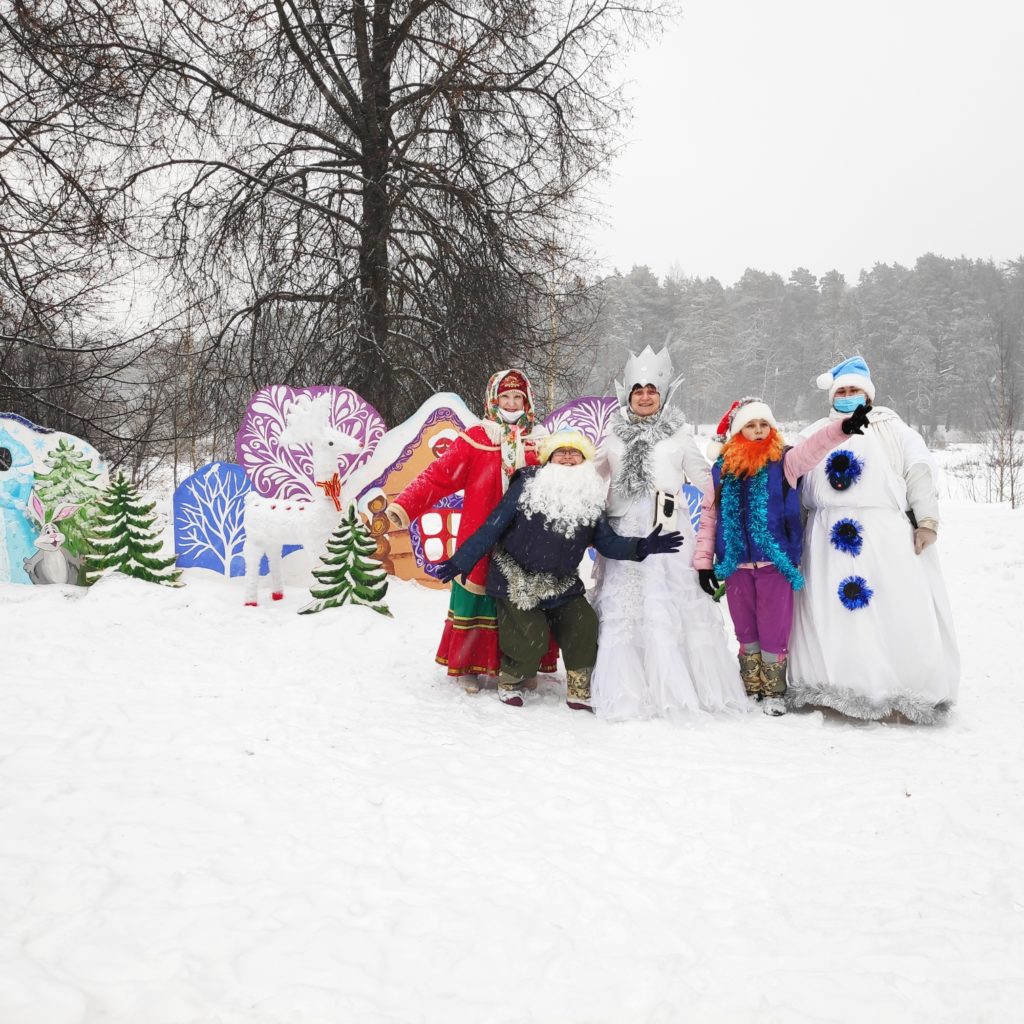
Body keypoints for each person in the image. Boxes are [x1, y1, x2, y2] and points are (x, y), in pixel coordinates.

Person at [436, 430, 682, 709]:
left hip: (561, 583)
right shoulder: (528, 483)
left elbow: (607, 542)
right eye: (560, 452)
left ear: (584, 460)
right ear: (549, 458)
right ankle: (512, 677)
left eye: (574, 452)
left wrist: (641, 547)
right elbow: (494, 525)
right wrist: (462, 560)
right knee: (532, 634)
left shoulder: (590, 496)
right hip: (515, 578)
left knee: (584, 622)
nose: (567, 457)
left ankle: (579, 687)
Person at [787, 356, 960, 723]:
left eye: (855, 390)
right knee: (830, 614)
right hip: (824, 537)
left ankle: (900, 687)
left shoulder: (893, 429)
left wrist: (926, 520)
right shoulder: (815, 431)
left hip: (884, 536)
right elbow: (790, 476)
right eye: (842, 391)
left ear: (868, 394)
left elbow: (919, 470)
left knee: (893, 605)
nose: (848, 396)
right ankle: (829, 685)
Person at [589, 346, 749, 722]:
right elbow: (588, 473)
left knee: (671, 606)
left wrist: (737, 481)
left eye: (652, 390)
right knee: (626, 609)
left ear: (662, 395)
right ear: (628, 395)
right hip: (625, 533)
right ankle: (630, 688)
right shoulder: (612, 434)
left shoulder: (678, 435)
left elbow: (704, 478)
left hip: (670, 531)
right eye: (638, 390)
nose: (645, 396)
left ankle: (679, 687)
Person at [693, 396, 871, 716]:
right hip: (735, 563)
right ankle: (751, 686)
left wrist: (843, 428)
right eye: (751, 425)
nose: (759, 430)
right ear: (738, 430)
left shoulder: (785, 462)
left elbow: (815, 447)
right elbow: (708, 517)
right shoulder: (722, 470)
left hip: (775, 562)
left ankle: (774, 689)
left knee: (774, 628)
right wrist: (704, 562)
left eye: (764, 424)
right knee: (745, 629)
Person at [385, 369, 554, 690]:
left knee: (523, 599)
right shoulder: (477, 438)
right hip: (480, 535)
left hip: (525, 537)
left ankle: (522, 664)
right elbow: (438, 476)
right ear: (493, 400)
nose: (512, 403)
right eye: (505, 397)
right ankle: (467, 665)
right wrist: (404, 505)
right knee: (477, 597)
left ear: (528, 400)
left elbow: (565, 479)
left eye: (518, 397)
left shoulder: (542, 441)